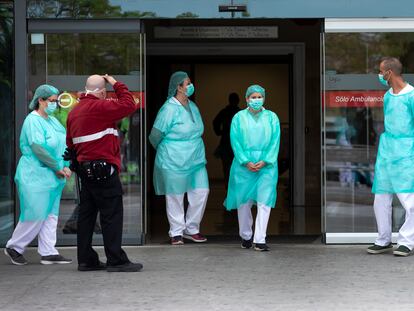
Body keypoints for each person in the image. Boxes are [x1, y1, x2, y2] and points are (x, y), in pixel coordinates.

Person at [66, 74, 142, 272]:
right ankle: (116, 259)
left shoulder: (73, 113)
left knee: (86, 216)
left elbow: (70, 144)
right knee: (112, 215)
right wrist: (116, 83)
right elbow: (128, 104)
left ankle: (85, 259)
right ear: (101, 92)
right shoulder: (100, 107)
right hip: (104, 171)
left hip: (85, 172)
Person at [4, 84, 72, 265]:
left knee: (51, 215)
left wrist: (66, 165)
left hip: (53, 177)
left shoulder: (53, 121)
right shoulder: (32, 121)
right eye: (51, 101)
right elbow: (38, 148)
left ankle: (49, 251)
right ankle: (14, 246)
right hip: (35, 175)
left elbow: (65, 145)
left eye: (56, 101)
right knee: (35, 213)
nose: (55, 104)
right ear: (40, 100)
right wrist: (57, 167)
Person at [149, 71, 209, 245]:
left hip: (195, 158)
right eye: (187, 83)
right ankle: (176, 232)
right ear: (178, 87)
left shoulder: (193, 106)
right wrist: (168, 150)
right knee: (175, 195)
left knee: (201, 192)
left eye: (190, 83)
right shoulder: (168, 108)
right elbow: (155, 135)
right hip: (173, 158)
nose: (190, 86)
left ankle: (192, 228)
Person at [367, 57, 414, 257]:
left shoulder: (411, 96)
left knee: (408, 199)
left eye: (381, 72)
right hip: (387, 151)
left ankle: (407, 241)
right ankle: (383, 239)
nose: (380, 75)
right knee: (381, 197)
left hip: (406, 151)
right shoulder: (387, 96)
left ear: (389, 73)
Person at [224, 84, 280, 252]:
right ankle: (246, 236)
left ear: (264, 98)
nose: (256, 100)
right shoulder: (238, 117)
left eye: (259, 97)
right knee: (243, 202)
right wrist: (245, 161)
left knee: (265, 201)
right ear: (247, 98)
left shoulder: (272, 117)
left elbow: (275, 141)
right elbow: (235, 140)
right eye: (253, 97)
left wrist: (266, 160)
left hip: (267, 165)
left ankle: (260, 239)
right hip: (243, 165)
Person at [213, 92, 241, 185]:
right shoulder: (240, 113)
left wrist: (219, 132)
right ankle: (235, 187)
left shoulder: (225, 112)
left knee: (227, 167)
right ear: (238, 101)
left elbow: (215, 122)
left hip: (226, 143)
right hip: (236, 144)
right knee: (237, 167)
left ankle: (229, 187)